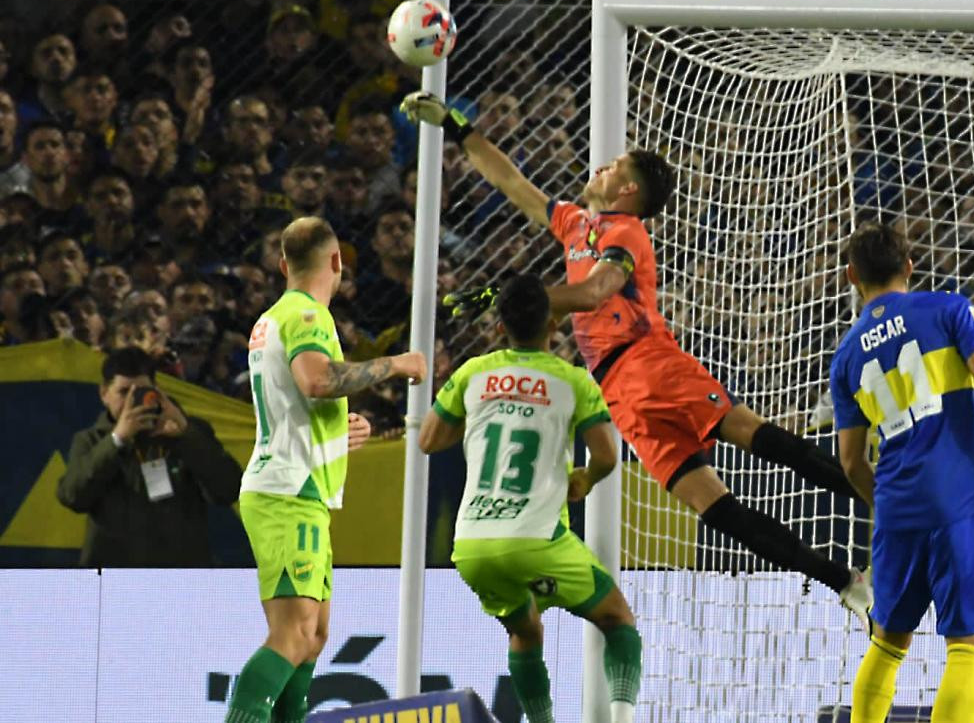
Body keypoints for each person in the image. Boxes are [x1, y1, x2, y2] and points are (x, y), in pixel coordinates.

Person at [401, 92, 872, 616]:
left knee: (759, 440)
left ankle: (887, 500)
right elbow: (511, 183)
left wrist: (512, 297)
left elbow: (594, 292)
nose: (598, 168)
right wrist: (457, 126)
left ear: (626, 189)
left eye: (612, 166)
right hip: (618, 391)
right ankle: (843, 581)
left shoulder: (625, 232)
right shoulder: (575, 224)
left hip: (651, 363)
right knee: (715, 508)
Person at [830, 221, 974, 722]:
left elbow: (852, 461)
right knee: (968, 643)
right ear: (910, 266)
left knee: (887, 641)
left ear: (852, 275)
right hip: (957, 498)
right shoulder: (949, 309)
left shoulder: (847, 356)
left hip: (896, 510)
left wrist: (886, 504)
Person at [225, 216, 426, 723]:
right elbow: (317, 381)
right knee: (293, 635)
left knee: (311, 638)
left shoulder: (275, 317)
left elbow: (295, 402)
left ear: (282, 263)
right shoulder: (308, 316)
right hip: (289, 491)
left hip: (295, 485)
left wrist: (338, 433)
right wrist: (397, 365)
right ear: (336, 262)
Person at [418, 274, 642, 723]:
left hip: (474, 546)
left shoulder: (472, 373)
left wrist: (485, 410)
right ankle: (621, 717)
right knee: (618, 621)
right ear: (552, 325)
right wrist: (586, 479)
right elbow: (605, 455)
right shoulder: (572, 380)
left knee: (525, 632)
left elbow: (428, 440)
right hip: (537, 539)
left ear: (499, 328)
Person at [56, 346, 242, 565]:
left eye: (142, 392)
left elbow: (229, 490)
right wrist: (117, 440)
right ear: (104, 394)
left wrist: (185, 434)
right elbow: (73, 496)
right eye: (124, 392)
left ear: (157, 390)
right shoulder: (91, 441)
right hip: (116, 577)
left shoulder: (189, 433)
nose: (132, 402)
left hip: (181, 574)